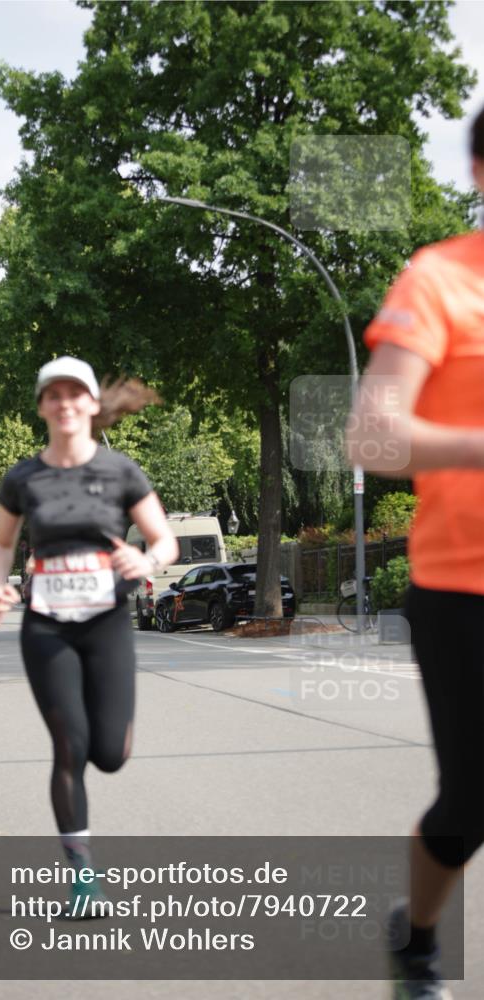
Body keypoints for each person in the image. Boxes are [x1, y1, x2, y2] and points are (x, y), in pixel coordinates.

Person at [347, 105, 484, 1000]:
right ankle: (418, 939)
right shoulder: (438, 278)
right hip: (460, 585)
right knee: (469, 807)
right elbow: (372, 436)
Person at [0, 356, 178, 913]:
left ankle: (108, 748)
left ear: (92, 405)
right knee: (68, 745)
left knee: (110, 754)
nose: (65, 403)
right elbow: (1, 544)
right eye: (54, 394)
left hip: (107, 621)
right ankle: (82, 877)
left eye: (76, 394)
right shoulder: (23, 478)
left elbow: (163, 540)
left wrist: (146, 561)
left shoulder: (121, 471)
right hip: (46, 624)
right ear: (43, 405)